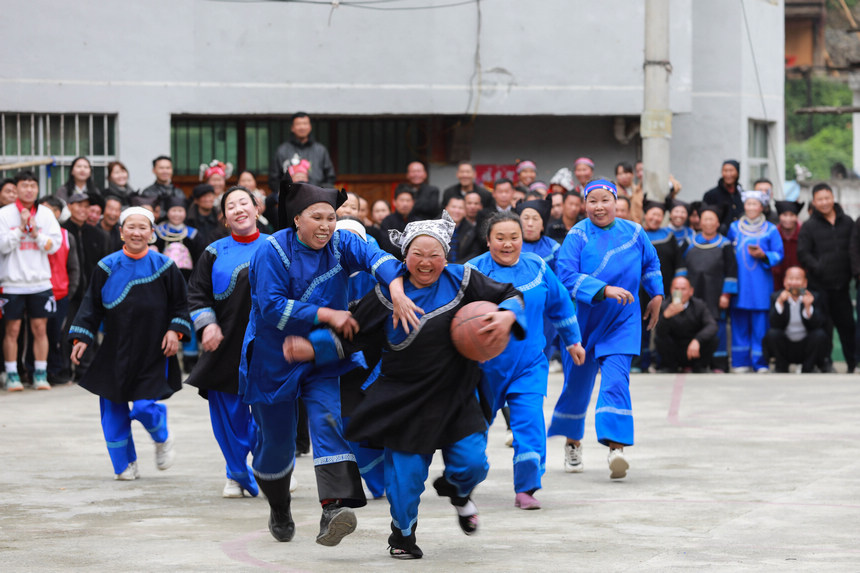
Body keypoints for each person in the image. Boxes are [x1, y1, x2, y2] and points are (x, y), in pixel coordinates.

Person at [283, 212, 525, 558]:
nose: (426, 262)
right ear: (404, 255)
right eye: (417, 254)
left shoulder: (463, 279)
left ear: (446, 255)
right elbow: (352, 332)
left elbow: (510, 293)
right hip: (404, 399)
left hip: (456, 394)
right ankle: (403, 535)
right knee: (404, 480)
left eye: (434, 255)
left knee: (472, 464)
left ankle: (457, 491)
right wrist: (312, 348)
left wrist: (507, 314)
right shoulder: (387, 294)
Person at [238, 174, 418, 546]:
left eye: (331, 217)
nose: (326, 225)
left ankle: (334, 509)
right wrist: (327, 314)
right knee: (277, 444)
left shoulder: (342, 243)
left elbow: (378, 258)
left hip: (321, 352)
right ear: (296, 219)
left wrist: (397, 288)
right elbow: (270, 306)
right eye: (317, 217)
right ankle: (279, 506)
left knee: (327, 420)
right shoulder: (271, 251)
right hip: (274, 355)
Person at [468, 211, 583, 510]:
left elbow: (560, 304)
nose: (508, 244)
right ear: (488, 240)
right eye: (500, 238)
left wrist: (573, 341)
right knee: (471, 433)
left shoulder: (537, 266)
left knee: (530, 424)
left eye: (514, 237)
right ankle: (466, 478)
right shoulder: (471, 271)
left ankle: (527, 488)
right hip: (481, 368)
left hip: (528, 364)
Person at [549, 179, 663, 479]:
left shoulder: (635, 232)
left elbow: (651, 265)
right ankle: (573, 444)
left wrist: (657, 295)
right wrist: (604, 290)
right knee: (577, 387)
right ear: (584, 205)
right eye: (592, 201)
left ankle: (616, 449)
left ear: (616, 202)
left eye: (605, 200)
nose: (599, 207)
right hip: (582, 323)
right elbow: (565, 276)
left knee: (616, 381)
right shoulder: (577, 235)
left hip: (622, 320)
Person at [67, 207, 191, 480]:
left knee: (145, 407)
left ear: (152, 232)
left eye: (142, 227)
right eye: (131, 227)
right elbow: (91, 307)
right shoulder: (107, 266)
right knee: (112, 409)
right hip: (115, 349)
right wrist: (81, 338)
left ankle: (161, 437)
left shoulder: (165, 266)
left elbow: (181, 304)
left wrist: (175, 331)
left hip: (154, 349)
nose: (137, 232)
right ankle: (124, 464)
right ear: (121, 232)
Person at [186, 186, 268, 498]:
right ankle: (236, 472)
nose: (238, 209)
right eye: (230, 206)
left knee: (268, 414)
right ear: (224, 218)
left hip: (267, 344)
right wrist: (207, 325)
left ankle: (270, 468)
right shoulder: (214, 251)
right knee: (229, 416)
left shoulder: (276, 246)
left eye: (243, 202)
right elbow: (197, 293)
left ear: (257, 209)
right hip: (225, 344)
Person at [0, 171, 63, 391]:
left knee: (39, 329)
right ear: (16, 188)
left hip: (40, 282)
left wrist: (35, 233)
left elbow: (54, 246)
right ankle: (12, 374)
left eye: (32, 185)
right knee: (12, 330)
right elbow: (2, 246)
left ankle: (40, 374)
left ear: (37, 188)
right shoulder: (5, 214)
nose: (29, 189)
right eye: (24, 185)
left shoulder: (45, 214)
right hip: (12, 282)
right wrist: (20, 229)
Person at [798, 183, 855, 373]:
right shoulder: (809, 226)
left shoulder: (847, 222)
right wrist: (818, 267)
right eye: (820, 199)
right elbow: (803, 253)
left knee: (847, 327)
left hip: (842, 286)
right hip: (819, 286)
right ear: (814, 202)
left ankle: (853, 364)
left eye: (827, 198)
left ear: (833, 198)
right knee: (824, 327)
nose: (824, 202)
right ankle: (825, 363)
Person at [727, 189, 784, 373]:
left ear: (762, 207)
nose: (751, 207)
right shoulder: (734, 228)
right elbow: (727, 255)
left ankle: (760, 362)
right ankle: (740, 362)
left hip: (761, 283)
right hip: (740, 283)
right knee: (739, 323)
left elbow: (779, 254)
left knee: (761, 325)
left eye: (755, 204)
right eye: (748, 204)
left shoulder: (771, 229)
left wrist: (764, 255)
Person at [678, 206, 737, 372]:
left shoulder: (725, 244)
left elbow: (731, 270)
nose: (708, 223)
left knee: (717, 326)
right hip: (692, 291)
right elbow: (680, 267)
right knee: (690, 322)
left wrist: (726, 295)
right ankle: (691, 362)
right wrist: (679, 294)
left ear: (718, 223)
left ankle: (718, 363)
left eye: (712, 219)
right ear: (699, 222)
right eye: (705, 219)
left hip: (716, 293)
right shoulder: (689, 242)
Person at [38, 195, 80, 386]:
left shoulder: (66, 236)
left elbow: (74, 267)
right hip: (38, 291)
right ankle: (34, 371)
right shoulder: (34, 235)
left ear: (56, 213)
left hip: (61, 293)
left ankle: (56, 371)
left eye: (47, 210)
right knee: (38, 333)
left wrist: (70, 292)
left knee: (57, 335)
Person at [763, 266, 827, 373]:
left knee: (820, 335)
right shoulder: (776, 297)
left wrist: (808, 307)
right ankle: (781, 367)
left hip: (805, 346)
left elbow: (818, 325)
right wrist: (780, 303)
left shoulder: (814, 297)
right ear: (784, 281)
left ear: (805, 283)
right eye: (791, 278)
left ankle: (808, 368)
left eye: (797, 279)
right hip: (786, 345)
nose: (794, 282)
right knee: (772, 334)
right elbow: (774, 324)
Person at [654, 276, 718, 373]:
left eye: (683, 289)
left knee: (713, 339)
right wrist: (666, 317)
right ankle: (669, 366)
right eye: (676, 289)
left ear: (691, 291)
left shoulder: (699, 305)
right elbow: (659, 333)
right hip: (674, 349)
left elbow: (712, 325)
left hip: (693, 349)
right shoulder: (664, 306)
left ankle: (700, 367)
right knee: (660, 339)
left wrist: (697, 340)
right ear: (671, 290)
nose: (679, 292)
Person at [269, 112, 336, 192]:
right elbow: (273, 180)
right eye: (298, 124)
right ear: (292, 128)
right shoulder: (282, 151)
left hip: (316, 195)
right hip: (290, 196)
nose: (302, 127)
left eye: (305, 123)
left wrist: (318, 190)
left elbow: (330, 178)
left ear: (310, 127)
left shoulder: (321, 150)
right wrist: (288, 185)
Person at [702, 160, 744, 233]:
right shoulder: (711, 195)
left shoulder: (742, 194)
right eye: (725, 171)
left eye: (731, 170)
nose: (728, 174)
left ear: (737, 173)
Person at [772, 200, 804, 290]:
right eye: (785, 215)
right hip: (777, 279)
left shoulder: (804, 232)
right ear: (779, 216)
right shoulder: (773, 233)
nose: (788, 219)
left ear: (796, 216)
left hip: (799, 279)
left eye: (792, 215)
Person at [380, 188, 417, 256]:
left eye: (408, 200)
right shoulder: (387, 221)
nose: (405, 204)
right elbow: (386, 246)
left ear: (413, 202)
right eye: (402, 200)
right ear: (394, 202)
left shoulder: (418, 222)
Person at [444, 196, 480, 264]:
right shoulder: (435, 227)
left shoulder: (471, 230)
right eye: (453, 207)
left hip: (462, 267)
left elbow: (474, 253)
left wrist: (458, 266)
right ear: (446, 208)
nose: (457, 211)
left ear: (465, 211)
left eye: (460, 208)